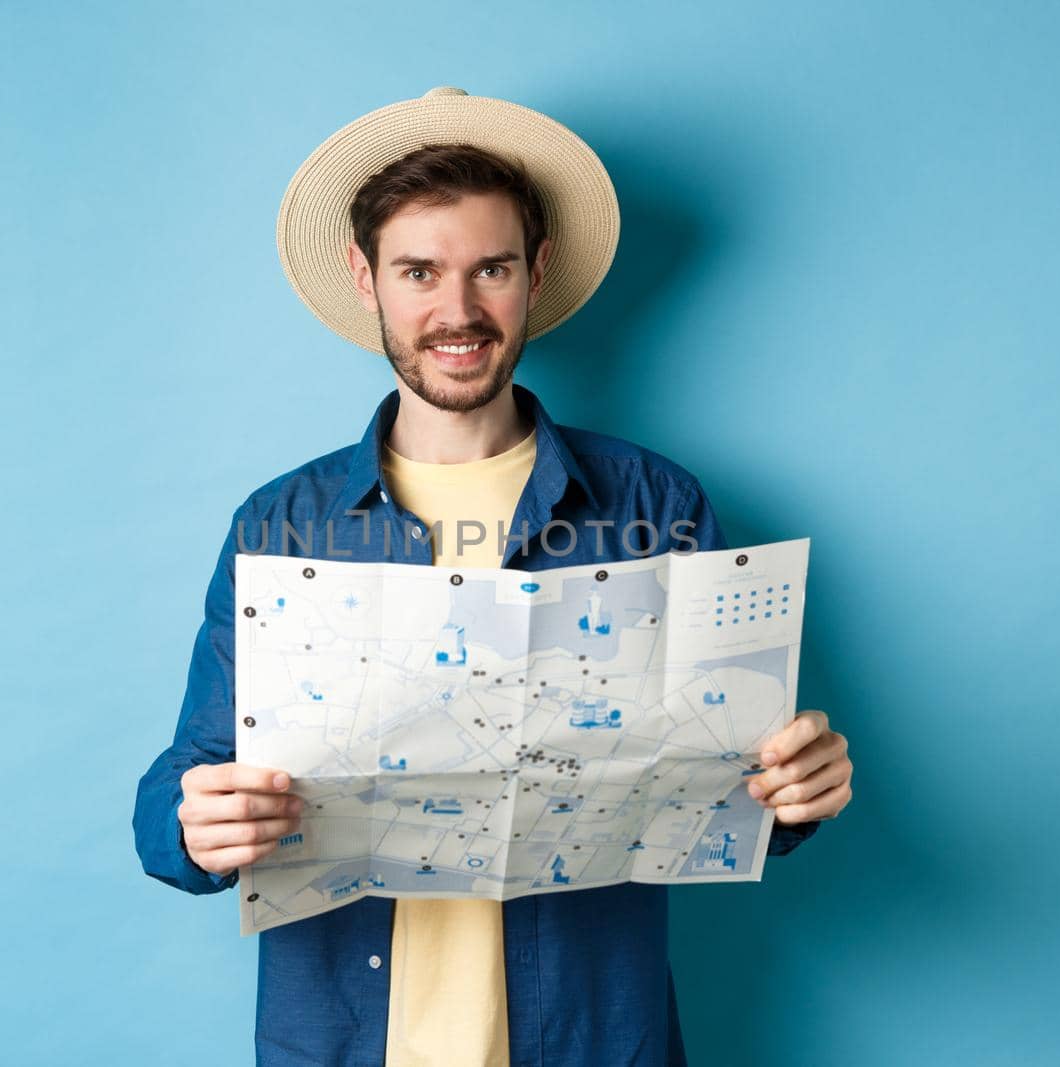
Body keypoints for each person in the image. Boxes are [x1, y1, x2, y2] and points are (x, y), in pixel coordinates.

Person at [133, 87, 854, 1067]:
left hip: (591, 1032)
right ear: (366, 277)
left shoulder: (655, 502)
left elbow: (734, 784)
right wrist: (192, 817)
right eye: (419, 271)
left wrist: (795, 787)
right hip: (346, 1035)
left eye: (492, 269)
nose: (457, 311)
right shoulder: (280, 523)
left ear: (535, 273)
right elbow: (184, 779)